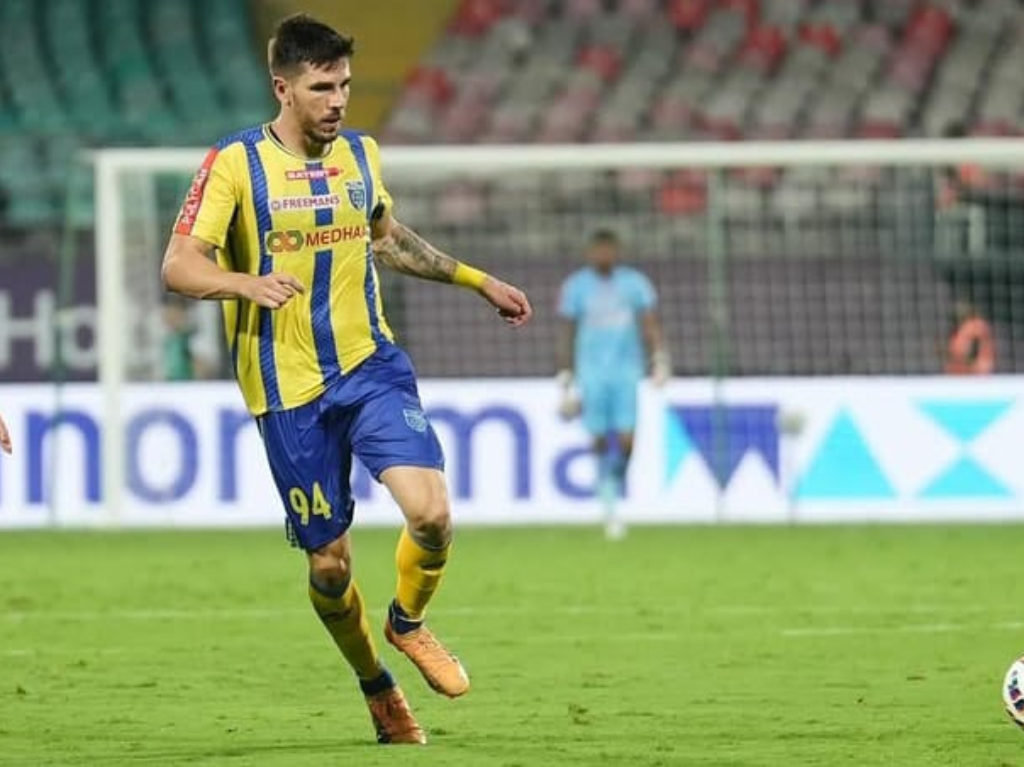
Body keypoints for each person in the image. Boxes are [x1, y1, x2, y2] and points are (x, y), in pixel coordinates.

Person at [161, 14, 532, 746]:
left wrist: (477, 279)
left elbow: (386, 240)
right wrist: (245, 283)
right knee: (330, 568)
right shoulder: (234, 163)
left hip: (370, 366)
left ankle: (408, 622)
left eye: (345, 86)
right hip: (287, 390)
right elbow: (178, 265)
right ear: (283, 88)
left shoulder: (361, 154)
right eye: (321, 88)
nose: (337, 101)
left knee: (432, 514)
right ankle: (376, 685)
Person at [556, 230, 668, 540]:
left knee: (627, 440)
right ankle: (609, 504)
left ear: (617, 251)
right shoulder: (576, 286)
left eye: (608, 250)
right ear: (590, 252)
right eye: (598, 250)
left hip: (626, 371)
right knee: (599, 439)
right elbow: (567, 331)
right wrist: (565, 372)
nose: (603, 255)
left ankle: (613, 480)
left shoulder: (635, 283)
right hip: (591, 373)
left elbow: (649, 324)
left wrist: (659, 359)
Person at [945, 298, 994, 375]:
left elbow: (970, 349)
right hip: (960, 371)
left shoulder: (974, 326)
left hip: (973, 371)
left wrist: (970, 362)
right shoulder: (961, 328)